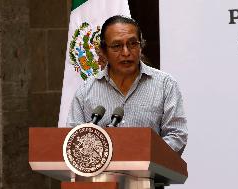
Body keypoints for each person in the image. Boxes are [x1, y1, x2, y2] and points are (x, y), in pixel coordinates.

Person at [67, 15, 188, 155]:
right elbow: (73, 139)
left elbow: (177, 135)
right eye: (117, 46)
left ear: (141, 46)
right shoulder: (86, 91)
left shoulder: (165, 85)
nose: (126, 52)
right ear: (103, 51)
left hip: (151, 175)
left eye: (132, 44)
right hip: (101, 175)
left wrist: (143, 155)